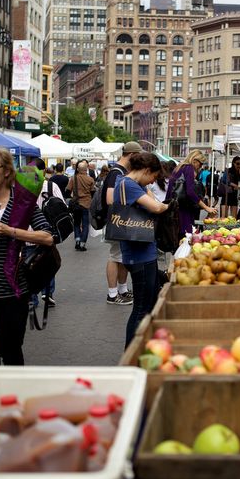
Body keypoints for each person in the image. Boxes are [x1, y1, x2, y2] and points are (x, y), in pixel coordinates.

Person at [0, 146, 53, 365]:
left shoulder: (21, 203)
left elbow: (47, 237)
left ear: (7, 171)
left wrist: (10, 231)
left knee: (12, 351)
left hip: (11, 293)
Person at [113, 152, 168, 348]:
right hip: (139, 255)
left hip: (140, 253)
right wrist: (167, 205)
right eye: (153, 176)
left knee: (146, 304)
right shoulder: (128, 185)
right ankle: (131, 353)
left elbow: (152, 199)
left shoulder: (129, 183)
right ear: (146, 170)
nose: (154, 181)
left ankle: (140, 347)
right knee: (141, 309)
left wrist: (146, 185)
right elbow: (157, 207)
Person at [103, 141, 144, 305]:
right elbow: (110, 199)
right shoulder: (116, 173)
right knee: (115, 257)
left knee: (122, 257)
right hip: (117, 221)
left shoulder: (121, 171)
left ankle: (122, 290)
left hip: (120, 221)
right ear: (132, 155)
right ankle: (112, 294)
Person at [34, 158, 66, 306]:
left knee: (30, 264)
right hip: (47, 232)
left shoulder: (20, 186)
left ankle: (33, 297)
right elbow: (61, 206)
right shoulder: (51, 186)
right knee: (47, 262)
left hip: (28, 234)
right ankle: (47, 293)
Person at [166, 151, 217, 235]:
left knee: (176, 234)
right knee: (186, 236)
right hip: (183, 208)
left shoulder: (180, 167)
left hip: (174, 206)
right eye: (200, 164)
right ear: (194, 161)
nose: (201, 167)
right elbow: (190, 192)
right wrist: (206, 207)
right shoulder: (189, 168)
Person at [66, 159, 95, 251]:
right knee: (86, 224)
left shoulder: (73, 178)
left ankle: (77, 240)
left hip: (76, 204)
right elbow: (93, 192)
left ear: (77, 169)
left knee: (77, 223)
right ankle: (82, 244)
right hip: (86, 204)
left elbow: (67, 191)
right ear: (86, 169)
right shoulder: (90, 179)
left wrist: (72, 196)